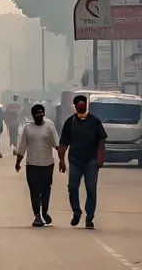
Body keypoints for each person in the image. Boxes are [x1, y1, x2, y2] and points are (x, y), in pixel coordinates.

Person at [58, 95, 108, 229]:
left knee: (91, 190)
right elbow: (63, 143)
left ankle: (89, 217)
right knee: (73, 188)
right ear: (75, 106)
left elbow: (102, 140)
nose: (82, 106)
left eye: (83, 104)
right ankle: (76, 212)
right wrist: (61, 160)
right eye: (79, 105)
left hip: (91, 161)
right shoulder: (70, 122)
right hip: (75, 160)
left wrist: (100, 157)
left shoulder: (95, 121)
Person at [15, 104, 59, 227]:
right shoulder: (28, 127)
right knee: (34, 191)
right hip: (32, 165)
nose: (40, 118)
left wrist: (62, 160)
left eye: (42, 115)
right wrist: (18, 162)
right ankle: (37, 216)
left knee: (45, 191)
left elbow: (56, 144)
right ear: (33, 116)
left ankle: (45, 212)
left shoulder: (49, 125)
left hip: (47, 164)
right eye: (37, 115)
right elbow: (22, 146)